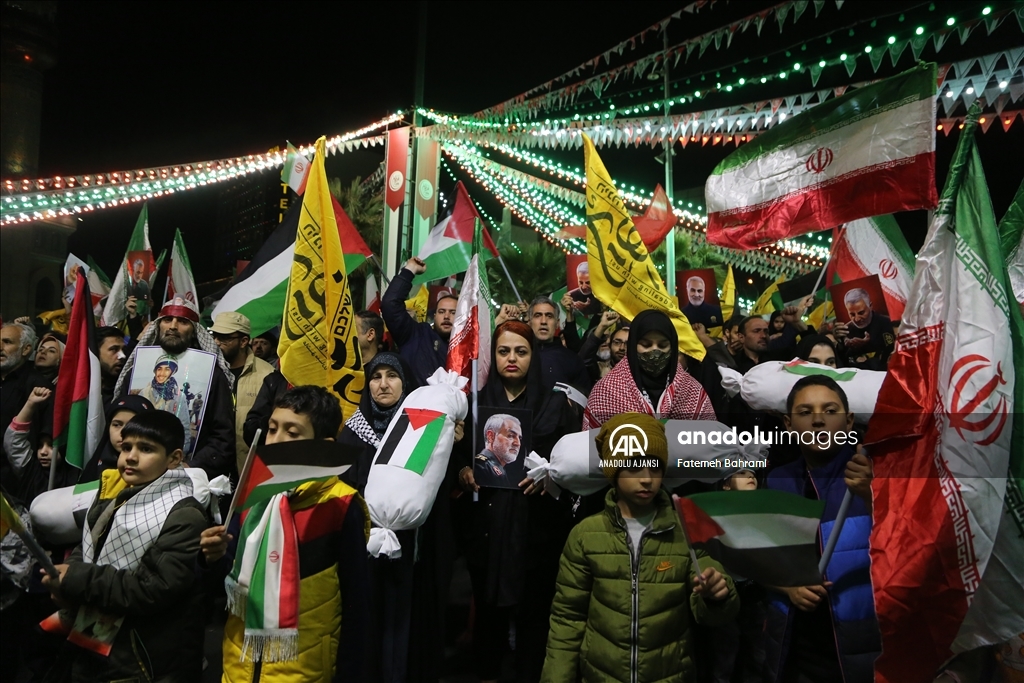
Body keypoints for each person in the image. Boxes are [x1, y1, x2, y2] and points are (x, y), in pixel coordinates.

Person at [541, 413, 739, 683]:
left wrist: (716, 594)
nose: (647, 479)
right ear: (614, 469)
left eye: (655, 468)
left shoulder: (685, 530)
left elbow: (712, 608)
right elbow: (567, 619)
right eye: (634, 467)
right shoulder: (585, 536)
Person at [201, 385, 371, 683]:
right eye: (272, 429)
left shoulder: (340, 506)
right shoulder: (252, 494)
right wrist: (209, 558)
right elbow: (224, 582)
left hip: (303, 669)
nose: (276, 440)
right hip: (239, 665)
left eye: (293, 433)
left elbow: (357, 604)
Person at [41, 410, 211, 682]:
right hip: (100, 649)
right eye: (126, 447)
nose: (130, 457)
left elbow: (151, 588)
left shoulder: (184, 514)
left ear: (174, 458)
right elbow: (89, 546)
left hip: (140, 658)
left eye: (146, 449)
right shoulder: (120, 495)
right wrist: (65, 578)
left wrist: (77, 579)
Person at [455, 321, 580, 682]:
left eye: (521, 351)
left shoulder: (556, 404)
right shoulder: (477, 402)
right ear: (494, 356)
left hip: (536, 529)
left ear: (533, 356)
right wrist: (464, 470)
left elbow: (570, 465)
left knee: (533, 618)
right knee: (488, 618)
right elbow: (459, 455)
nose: (512, 358)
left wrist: (552, 477)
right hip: (487, 531)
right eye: (504, 351)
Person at [764, 375, 878, 683]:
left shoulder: (875, 475)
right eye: (805, 412)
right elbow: (760, 560)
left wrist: (872, 495)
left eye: (830, 410)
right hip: (796, 645)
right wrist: (787, 587)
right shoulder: (778, 481)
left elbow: (908, 546)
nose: (817, 420)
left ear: (849, 420)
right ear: (788, 423)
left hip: (863, 640)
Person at [114, 297, 235, 478]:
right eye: (167, 320)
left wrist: (190, 467)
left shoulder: (214, 376)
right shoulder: (134, 373)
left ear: (194, 331)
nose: (173, 326)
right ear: (158, 325)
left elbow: (223, 436)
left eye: (183, 322)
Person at [585, 310, 716, 428]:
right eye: (646, 345)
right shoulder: (607, 391)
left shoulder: (691, 390)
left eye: (662, 345)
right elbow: (590, 444)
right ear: (632, 346)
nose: (655, 351)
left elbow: (709, 442)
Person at [211, 311, 275, 473]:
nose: (217, 342)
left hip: (248, 466)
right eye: (215, 336)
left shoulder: (266, 374)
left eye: (225, 338)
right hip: (212, 466)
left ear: (243, 341)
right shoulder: (207, 370)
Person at [380, 257, 456, 386]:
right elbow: (390, 304)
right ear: (435, 315)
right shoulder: (416, 335)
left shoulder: (468, 348)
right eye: (442, 312)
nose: (447, 316)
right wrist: (410, 270)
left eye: (453, 312)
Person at [81, 394, 156, 481]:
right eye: (116, 425)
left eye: (131, 426)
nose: (122, 433)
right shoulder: (97, 463)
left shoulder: (155, 468)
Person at [526, 296, 591, 394]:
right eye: (538, 315)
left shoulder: (572, 360)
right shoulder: (518, 356)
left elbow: (582, 399)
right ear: (530, 323)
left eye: (549, 316)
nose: (543, 321)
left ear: (557, 323)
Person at [131, 355, 194, 453]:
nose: (162, 373)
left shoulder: (179, 396)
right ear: (155, 371)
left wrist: (182, 452)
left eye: (167, 369)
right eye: (159, 369)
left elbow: (184, 427)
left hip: (167, 448)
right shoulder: (144, 393)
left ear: (172, 372)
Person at [3, 386, 54, 502]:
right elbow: (14, 442)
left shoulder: (74, 475)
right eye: (40, 446)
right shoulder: (32, 471)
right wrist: (30, 404)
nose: (43, 452)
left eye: (51, 446)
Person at [840, 288, 895, 367]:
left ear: (870, 306)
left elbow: (892, 352)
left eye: (861, 313)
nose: (857, 319)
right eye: (852, 314)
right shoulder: (846, 330)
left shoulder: (887, 323)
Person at [474, 413, 523, 488]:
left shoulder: (492, 467)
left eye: (519, 438)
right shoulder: (481, 467)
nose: (518, 443)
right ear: (491, 436)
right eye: (510, 436)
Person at [96, 327, 126, 406]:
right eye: (114, 349)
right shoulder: (79, 390)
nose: (122, 356)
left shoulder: (126, 389)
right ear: (95, 352)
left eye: (123, 350)